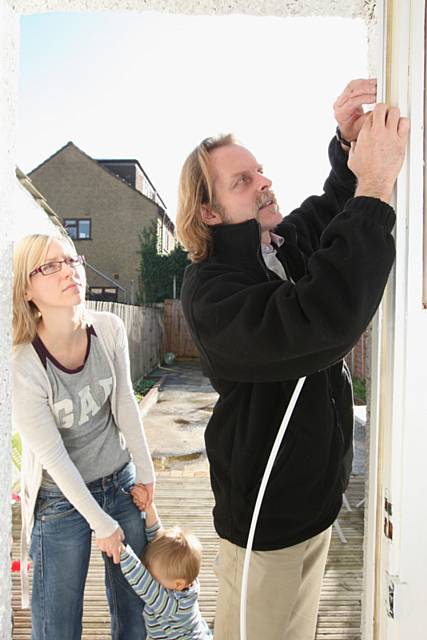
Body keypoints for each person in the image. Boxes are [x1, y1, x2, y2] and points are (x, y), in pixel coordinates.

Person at [175, 79, 410, 640]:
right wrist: (375, 183)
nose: (264, 183)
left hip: (316, 508)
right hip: (265, 522)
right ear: (208, 212)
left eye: (260, 171)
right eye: (243, 181)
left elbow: (332, 207)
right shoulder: (211, 291)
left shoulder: (278, 245)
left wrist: (347, 144)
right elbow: (322, 319)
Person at [12, 232, 156, 640]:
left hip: (121, 484)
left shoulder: (107, 329)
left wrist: (146, 475)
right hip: (60, 502)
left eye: (72, 260)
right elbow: (54, 458)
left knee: (134, 618)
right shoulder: (23, 365)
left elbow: (126, 403)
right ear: (26, 288)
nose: (69, 271)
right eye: (50, 266)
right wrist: (102, 524)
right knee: (56, 627)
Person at [120, 488, 212, 639]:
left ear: (178, 584)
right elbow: (157, 542)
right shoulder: (184, 577)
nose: (152, 579)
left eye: (155, 579)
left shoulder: (174, 607)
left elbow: (144, 584)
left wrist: (121, 551)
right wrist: (149, 507)